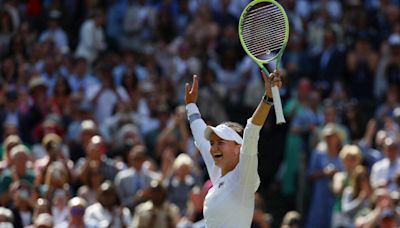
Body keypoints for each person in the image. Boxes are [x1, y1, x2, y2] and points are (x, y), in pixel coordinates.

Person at [184, 69, 282, 227]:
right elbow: (201, 138)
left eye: (220, 142)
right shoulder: (217, 173)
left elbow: (251, 131)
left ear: (238, 148)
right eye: (213, 143)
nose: (213, 148)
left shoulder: (243, 178)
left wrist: (268, 98)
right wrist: (191, 106)